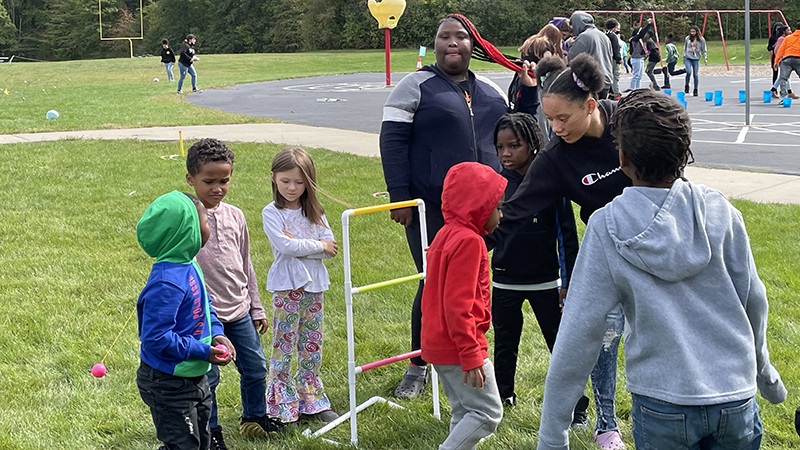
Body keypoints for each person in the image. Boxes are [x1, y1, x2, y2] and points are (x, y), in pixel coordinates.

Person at [536, 89, 787, 450]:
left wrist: (552, 434)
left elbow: (579, 332)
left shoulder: (606, 227)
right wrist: (765, 372)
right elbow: (754, 299)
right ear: (685, 154)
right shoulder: (721, 212)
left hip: (662, 405)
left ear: (621, 157)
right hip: (735, 397)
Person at [379, 13, 538, 400]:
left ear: (474, 46)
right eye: (444, 37)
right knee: (434, 283)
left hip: (485, 210)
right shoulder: (415, 86)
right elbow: (392, 142)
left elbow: (518, 131)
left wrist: (529, 90)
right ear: (435, 44)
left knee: (472, 287)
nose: (453, 42)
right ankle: (419, 364)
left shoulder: (489, 91)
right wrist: (399, 196)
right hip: (433, 207)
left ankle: (467, 355)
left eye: (461, 37)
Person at [484, 54, 632, 450]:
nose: (555, 128)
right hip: (608, 252)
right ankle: (606, 425)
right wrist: (470, 242)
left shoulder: (628, 121)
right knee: (604, 337)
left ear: (589, 105)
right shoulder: (554, 159)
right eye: (550, 119)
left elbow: (671, 160)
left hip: (658, 243)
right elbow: (515, 212)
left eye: (563, 118)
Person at [185, 138, 278, 448]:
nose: (218, 187)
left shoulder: (236, 215)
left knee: (255, 367)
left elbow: (246, 263)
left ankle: (254, 418)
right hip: (203, 318)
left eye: (224, 180)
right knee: (208, 379)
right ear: (191, 180)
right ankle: (210, 433)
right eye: (209, 181)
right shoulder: (188, 220)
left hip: (239, 311)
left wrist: (256, 306)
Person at [490, 112, 578, 408]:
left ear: (532, 144)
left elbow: (568, 238)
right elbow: (482, 237)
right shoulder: (493, 186)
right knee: (504, 345)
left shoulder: (552, 185)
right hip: (504, 282)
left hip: (547, 283)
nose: (505, 153)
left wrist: (567, 284)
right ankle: (503, 398)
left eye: (513, 145)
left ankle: (575, 405)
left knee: (560, 346)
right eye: (500, 147)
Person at [135, 190, 235, 450]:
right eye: (203, 222)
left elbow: (205, 306)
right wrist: (203, 351)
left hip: (194, 374)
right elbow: (156, 338)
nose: (208, 227)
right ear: (186, 230)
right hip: (168, 381)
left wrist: (217, 334)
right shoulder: (167, 282)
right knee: (183, 445)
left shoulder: (190, 264)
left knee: (201, 441)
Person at [420, 161, 507, 450]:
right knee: (487, 412)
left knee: (464, 411)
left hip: (438, 344)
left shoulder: (445, 234)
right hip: (460, 346)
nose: (501, 214)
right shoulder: (470, 242)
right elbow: (458, 305)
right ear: (478, 207)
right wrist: (471, 353)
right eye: (497, 207)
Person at [261, 147, 339, 425]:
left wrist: (305, 247)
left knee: (311, 343)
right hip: (287, 286)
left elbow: (331, 246)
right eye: (285, 181)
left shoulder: (315, 211)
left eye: (299, 182)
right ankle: (282, 403)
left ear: (308, 182)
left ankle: (311, 398)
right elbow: (285, 246)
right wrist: (317, 246)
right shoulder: (272, 213)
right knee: (284, 343)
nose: (292, 188)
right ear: (273, 178)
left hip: (314, 286)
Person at [568, 11, 614, 100]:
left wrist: (570, 44)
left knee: (589, 110)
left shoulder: (584, 37)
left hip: (592, 82)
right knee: (601, 110)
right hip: (606, 79)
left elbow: (572, 58)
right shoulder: (603, 36)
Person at [775, 21, 800, 100]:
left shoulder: (788, 38)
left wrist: (776, 61)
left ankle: (784, 97)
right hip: (798, 59)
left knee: (783, 79)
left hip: (787, 60)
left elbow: (780, 50)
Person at [770, 24, 796, 99]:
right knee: (784, 76)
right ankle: (777, 90)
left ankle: (776, 90)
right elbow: (777, 50)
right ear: (784, 32)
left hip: (787, 58)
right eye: (788, 30)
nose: (790, 31)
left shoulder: (789, 38)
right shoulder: (781, 39)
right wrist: (779, 59)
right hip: (783, 59)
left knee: (784, 76)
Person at [628, 18, 653, 90]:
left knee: (639, 76)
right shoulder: (634, 39)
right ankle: (632, 89)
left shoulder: (638, 40)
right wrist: (649, 24)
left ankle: (637, 89)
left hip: (640, 58)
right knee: (636, 75)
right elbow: (642, 33)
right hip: (636, 58)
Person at [683, 25, 708, 96]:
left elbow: (703, 50)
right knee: (688, 72)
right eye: (691, 31)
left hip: (696, 58)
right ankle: (686, 85)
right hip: (688, 57)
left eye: (693, 31)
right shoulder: (687, 38)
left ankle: (695, 89)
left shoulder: (701, 40)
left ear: (697, 32)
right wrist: (684, 56)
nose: (692, 33)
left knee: (695, 75)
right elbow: (685, 47)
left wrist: (705, 58)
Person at [604, 19, 622, 98]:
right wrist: (618, 59)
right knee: (616, 75)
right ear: (614, 27)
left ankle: (611, 91)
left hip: (607, 57)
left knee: (610, 74)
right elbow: (615, 48)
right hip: (614, 58)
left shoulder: (605, 34)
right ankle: (616, 92)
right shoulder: (613, 36)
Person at [768, 22, 787, 89]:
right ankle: (774, 88)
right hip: (775, 55)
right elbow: (769, 48)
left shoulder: (784, 37)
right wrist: (774, 47)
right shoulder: (773, 38)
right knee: (775, 73)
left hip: (783, 56)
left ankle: (783, 89)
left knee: (784, 73)